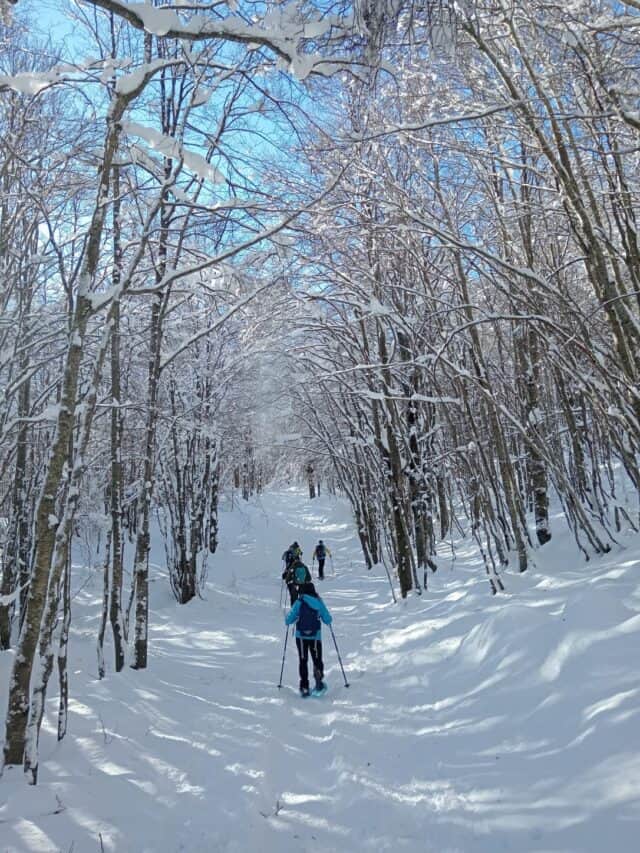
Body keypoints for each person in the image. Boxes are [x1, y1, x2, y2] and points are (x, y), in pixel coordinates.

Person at [285, 581, 332, 697]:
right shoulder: (318, 601)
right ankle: (319, 679)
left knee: (303, 660)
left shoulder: (299, 602)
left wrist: (295, 617)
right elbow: (328, 619)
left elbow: (288, 620)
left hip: (301, 636)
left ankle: (304, 687)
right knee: (317, 659)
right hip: (315, 636)